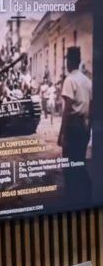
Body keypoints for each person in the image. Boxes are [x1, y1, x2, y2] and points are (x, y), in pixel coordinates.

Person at [58, 46, 93, 201]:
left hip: (72, 127)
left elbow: (67, 110)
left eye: (67, 60)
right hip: (84, 126)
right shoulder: (87, 81)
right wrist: (88, 128)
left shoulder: (70, 80)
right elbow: (92, 107)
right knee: (79, 161)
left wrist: (61, 134)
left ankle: (71, 196)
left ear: (70, 61)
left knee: (69, 164)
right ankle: (85, 193)